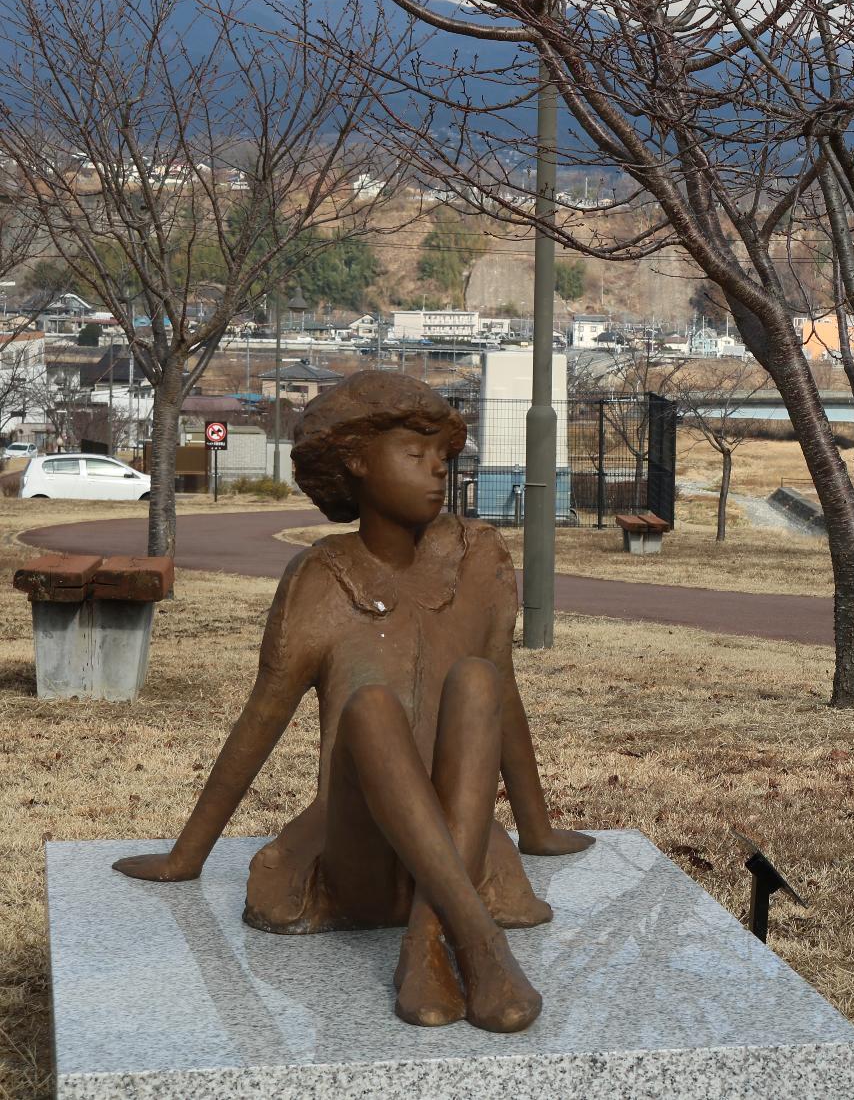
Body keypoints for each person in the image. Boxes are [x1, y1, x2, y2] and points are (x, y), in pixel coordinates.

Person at [111, 372, 593, 1031]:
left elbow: (502, 699)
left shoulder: (476, 556)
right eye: (415, 453)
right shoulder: (321, 579)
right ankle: (480, 942)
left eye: (444, 458)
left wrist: (536, 830)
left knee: (478, 679)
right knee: (369, 709)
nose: (437, 472)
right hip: (360, 859)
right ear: (359, 460)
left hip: (464, 840)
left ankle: (431, 940)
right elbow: (261, 719)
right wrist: (185, 855)